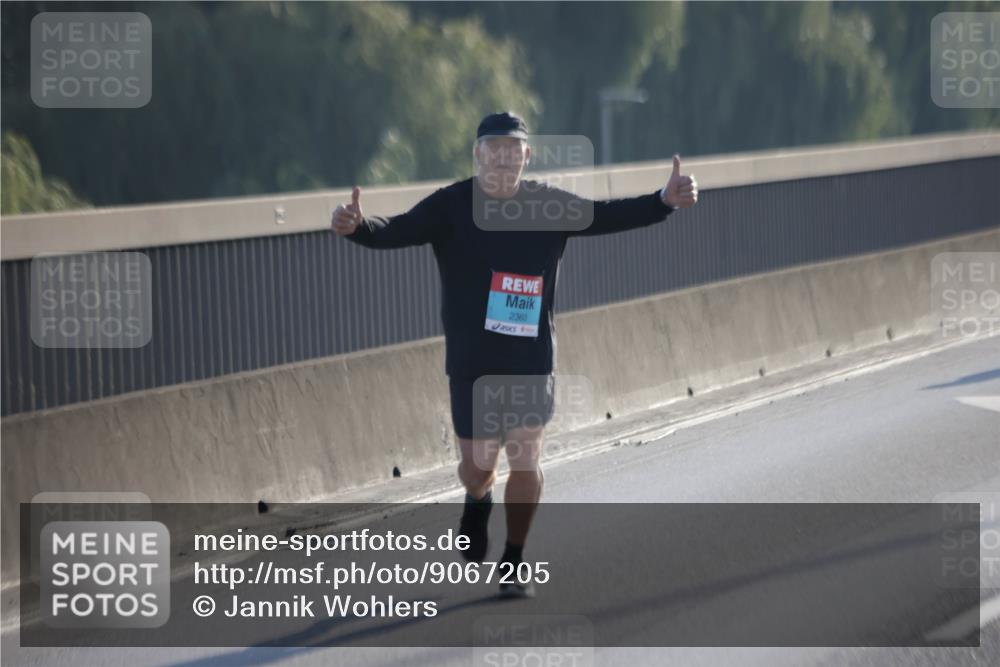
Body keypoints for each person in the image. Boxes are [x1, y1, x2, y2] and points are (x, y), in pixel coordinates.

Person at [331, 111, 698, 598]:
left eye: (514, 149)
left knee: (525, 459)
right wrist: (357, 227)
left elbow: (606, 216)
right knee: (478, 466)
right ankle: (476, 499)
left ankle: (514, 558)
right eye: (494, 148)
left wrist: (662, 202)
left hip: (530, 359)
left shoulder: (548, 204)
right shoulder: (451, 205)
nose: (504, 157)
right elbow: (394, 230)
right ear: (478, 154)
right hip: (471, 360)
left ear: (527, 156)